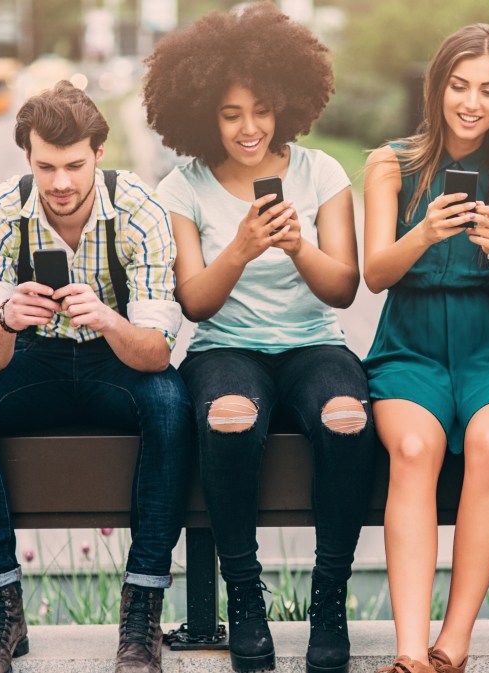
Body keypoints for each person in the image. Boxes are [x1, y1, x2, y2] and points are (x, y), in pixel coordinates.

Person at [142, 5, 376, 673]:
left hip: (313, 342)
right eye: (230, 113)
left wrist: (297, 243)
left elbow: (342, 289)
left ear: (287, 104)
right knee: (229, 415)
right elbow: (194, 301)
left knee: (347, 416)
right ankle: (245, 598)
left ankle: (328, 601)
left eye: (262, 110)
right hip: (225, 348)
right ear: (201, 116)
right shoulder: (179, 187)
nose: (250, 128)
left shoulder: (322, 173)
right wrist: (241, 248)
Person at [0, 81, 192, 673]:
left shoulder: (138, 210)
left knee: (171, 405)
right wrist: (5, 318)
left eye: (75, 165)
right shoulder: (0, 213)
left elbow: (155, 352)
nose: (61, 182)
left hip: (118, 359)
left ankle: (141, 617)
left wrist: (106, 318)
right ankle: (2, 615)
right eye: (46, 165)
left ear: (99, 155)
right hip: (34, 360)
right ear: (27, 158)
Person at [362, 23, 489, 673]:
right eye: (459, 85)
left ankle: (453, 644)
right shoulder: (391, 163)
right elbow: (375, 272)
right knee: (414, 449)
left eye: (488, 90)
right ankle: (411, 653)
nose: (471, 101)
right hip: (410, 343)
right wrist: (425, 234)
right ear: (437, 88)